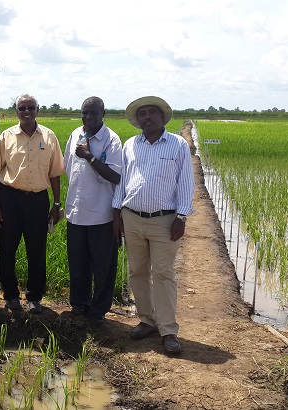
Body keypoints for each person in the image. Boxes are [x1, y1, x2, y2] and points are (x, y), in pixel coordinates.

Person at [112, 96, 194, 354]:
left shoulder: (177, 145)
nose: (146, 117)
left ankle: (168, 330)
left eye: (151, 113)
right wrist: (118, 214)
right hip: (132, 217)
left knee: (163, 274)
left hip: (164, 221)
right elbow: (122, 182)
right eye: (142, 114)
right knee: (137, 271)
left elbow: (186, 182)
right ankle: (147, 320)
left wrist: (182, 217)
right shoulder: (130, 145)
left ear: (162, 117)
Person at [0, 94, 65, 313]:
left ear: (37, 110)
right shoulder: (6, 137)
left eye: (30, 107)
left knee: (36, 250)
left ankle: (34, 297)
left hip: (37, 200)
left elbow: (55, 173)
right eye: (22, 108)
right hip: (10, 199)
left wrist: (57, 203)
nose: (26, 111)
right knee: (6, 250)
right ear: (16, 111)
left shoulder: (49, 137)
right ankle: (11, 296)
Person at [64, 96, 123, 325]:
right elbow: (69, 168)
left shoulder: (112, 140)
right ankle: (79, 303)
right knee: (78, 262)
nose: (88, 118)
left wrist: (89, 157)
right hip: (77, 212)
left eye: (93, 114)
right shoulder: (75, 135)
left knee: (103, 266)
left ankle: (98, 309)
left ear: (103, 114)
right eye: (84, 113)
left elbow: (116, 176)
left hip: (102, 215)